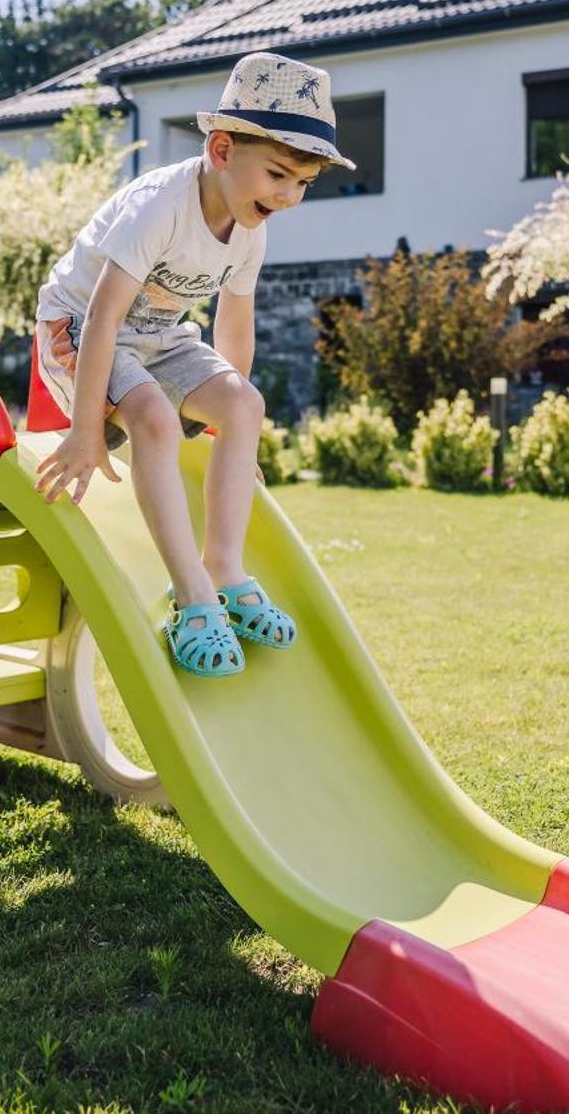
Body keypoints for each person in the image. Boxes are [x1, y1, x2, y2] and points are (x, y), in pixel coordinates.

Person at [32, 52, 354, 677]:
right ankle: (191, 599)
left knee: (247, 403)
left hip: (158, 332)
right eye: (279, 174)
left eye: (303, 184)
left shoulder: (250, 227)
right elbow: (101, 317)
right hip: (79, 327)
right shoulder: (161, 206)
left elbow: (234, 322)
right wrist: (83, 430)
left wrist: (230, 431)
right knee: (151, 414)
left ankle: (225, 571)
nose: (288, 196)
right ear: (222, 148)